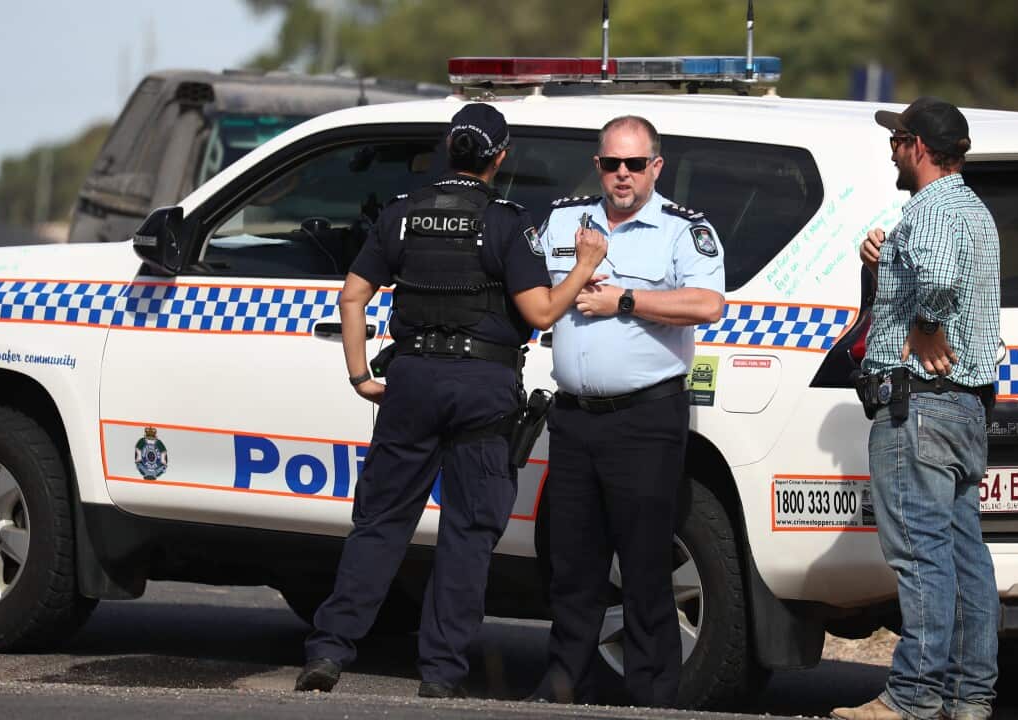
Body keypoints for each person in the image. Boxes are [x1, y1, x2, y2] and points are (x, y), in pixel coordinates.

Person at [295, 103, 608, 698]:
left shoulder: (402, 215)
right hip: (480, 389)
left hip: (410, 382)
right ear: (500, 157)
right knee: (467, 533)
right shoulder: (507, 223)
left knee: (380, 524)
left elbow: (352, 296)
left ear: (448, 149)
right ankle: (439, 675)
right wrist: (585, 266)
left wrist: (361, 375)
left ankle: (330, 652)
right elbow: (540, 311)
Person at [528, 115, 725, 708]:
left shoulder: (680, 230)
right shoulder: (565, 220)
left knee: (643, 562)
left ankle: (651, 690)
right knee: (572, 561)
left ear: (655, 167)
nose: (622, 174)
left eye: (634, 164)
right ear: (597, 165)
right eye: (612, 163)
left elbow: (707, 303)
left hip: (645, 418)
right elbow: (529, 286)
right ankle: (565, 680)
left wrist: (626, 300)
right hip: (574, 416)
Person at [832, 97, 1001, 720]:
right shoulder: (973, 210)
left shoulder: (927, 208)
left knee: (921, 555)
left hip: (919, 407)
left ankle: (912, 697)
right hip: (963, 409)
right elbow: (936, 268)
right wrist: (886, 261)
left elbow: (941, 280)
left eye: (898, 139)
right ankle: (967, 695)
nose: (891, 149)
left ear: (919, 147)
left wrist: (928, 325)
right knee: (963, 555)